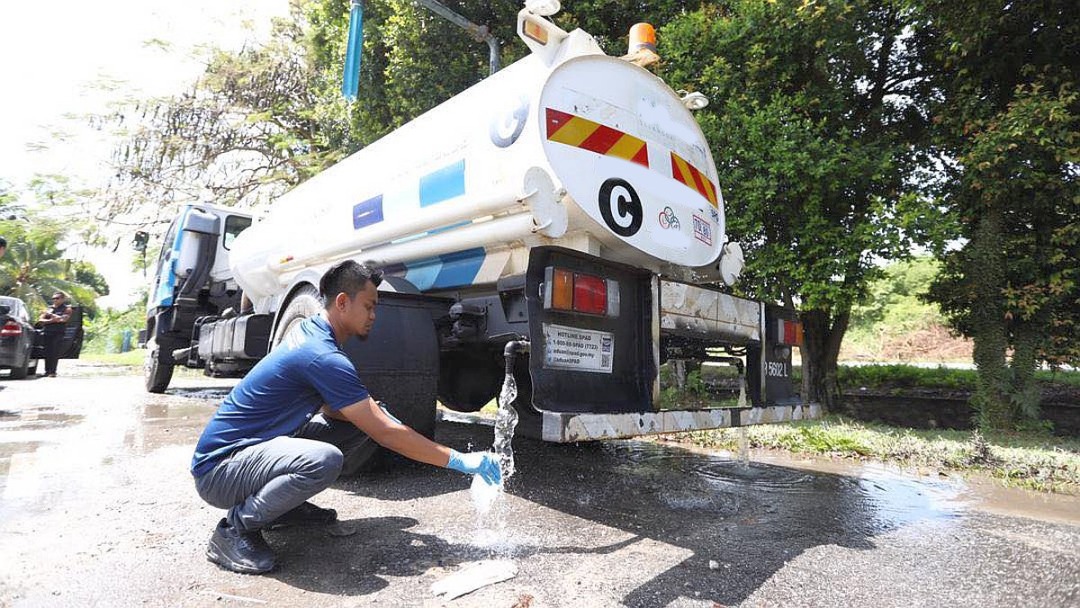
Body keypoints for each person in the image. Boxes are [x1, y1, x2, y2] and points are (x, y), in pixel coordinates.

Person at [191, 260, 501, 575]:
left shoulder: (312, 331)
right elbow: (386, 434)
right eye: (368, 307)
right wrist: (461, 460)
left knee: (363, 417)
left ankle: (281, 508)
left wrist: (377, 416)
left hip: (247, 454)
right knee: (324, 459)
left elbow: (335, 410)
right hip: (219, 469)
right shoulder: (322, 355)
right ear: (342, 302)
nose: (373, 316)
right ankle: (234, 530)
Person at [38, 291, 72, 377]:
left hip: (58, 333)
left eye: (57, 298)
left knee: (55, 352)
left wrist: (51, 316)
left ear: (62, 299)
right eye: (53, 298)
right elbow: (41, 320)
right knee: (47, 352)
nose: (55, 300)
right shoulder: (48, 308)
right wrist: (52, 320)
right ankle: (47, 371)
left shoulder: (67, 309)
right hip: (47, 332)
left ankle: (53, 371)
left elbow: (63, 319)